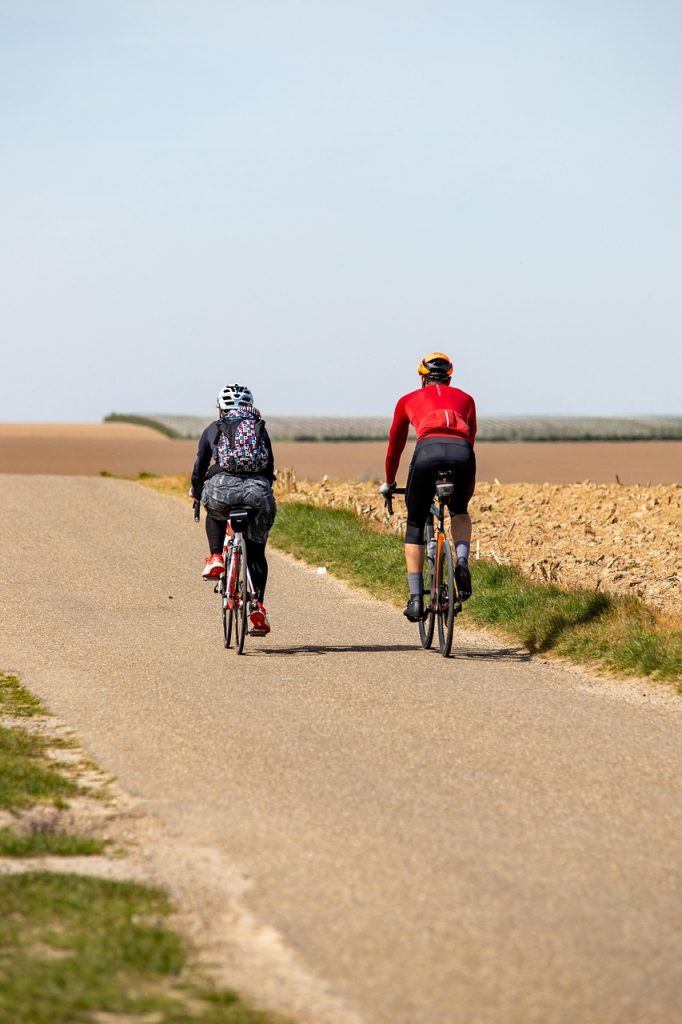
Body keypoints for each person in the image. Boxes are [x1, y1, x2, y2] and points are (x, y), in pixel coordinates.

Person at [381, 352, 477, 622]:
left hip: (427, 452)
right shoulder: (466, 399)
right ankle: (461, 560)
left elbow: (395, 447)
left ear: (422, 377)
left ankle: (415, 599)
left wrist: (390, 482)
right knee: (459, 509)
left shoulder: (407, 400)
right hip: (462, 454)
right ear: (449, 376)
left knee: (415, 521)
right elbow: (471, 436)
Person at [190, 384, 276, 636]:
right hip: (257, 492)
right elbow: (269, 466)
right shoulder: (260, 428)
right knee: (257, 551)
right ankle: (257, 604)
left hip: (221, 487)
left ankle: (216, 556)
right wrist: (261, 490)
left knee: (215, 512)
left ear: (221, 408)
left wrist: (196, 491)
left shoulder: (213, 428)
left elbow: (201, 463)